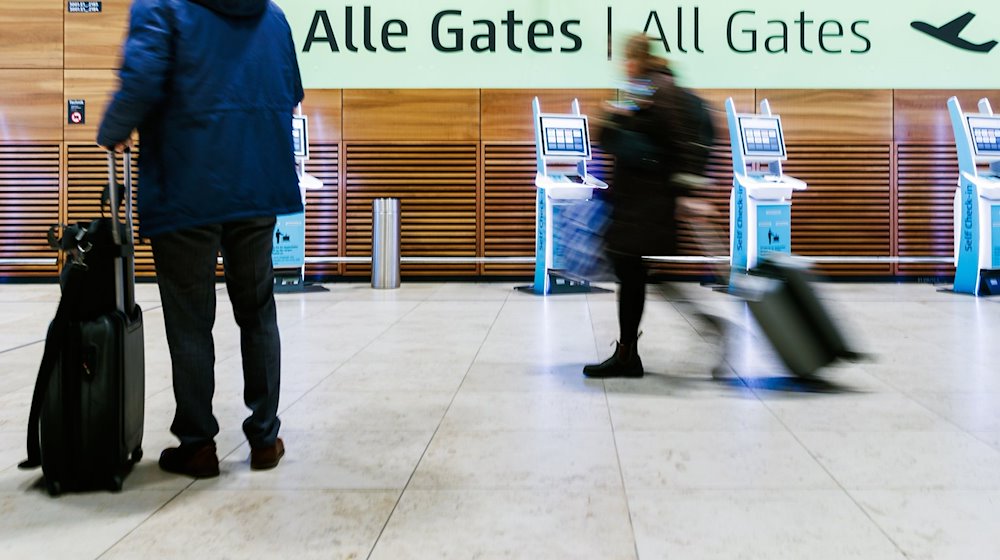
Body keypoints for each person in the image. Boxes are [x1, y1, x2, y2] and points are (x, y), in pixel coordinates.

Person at [97, 0, 304, 478]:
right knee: (257, 311)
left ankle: (197, 444)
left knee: (190, 320)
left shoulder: (161, 8)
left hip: (188, 185)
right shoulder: (272, 17)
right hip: (256, 184)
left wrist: (112, 129)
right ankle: (266, 438)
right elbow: (291, 92)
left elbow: (143, 78)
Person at [584, 33, 717, 379]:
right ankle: (629, 352)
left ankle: (636, 351)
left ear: (634, 59)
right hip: (639, 205)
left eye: (625, 60)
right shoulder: (650, 88)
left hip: (647, 207)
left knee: (633, 271)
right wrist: (619, 117)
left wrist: (690, 193)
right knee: (637, 273)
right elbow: (644, 129)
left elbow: (678, 139)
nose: (623, 68)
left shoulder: (660, 88)